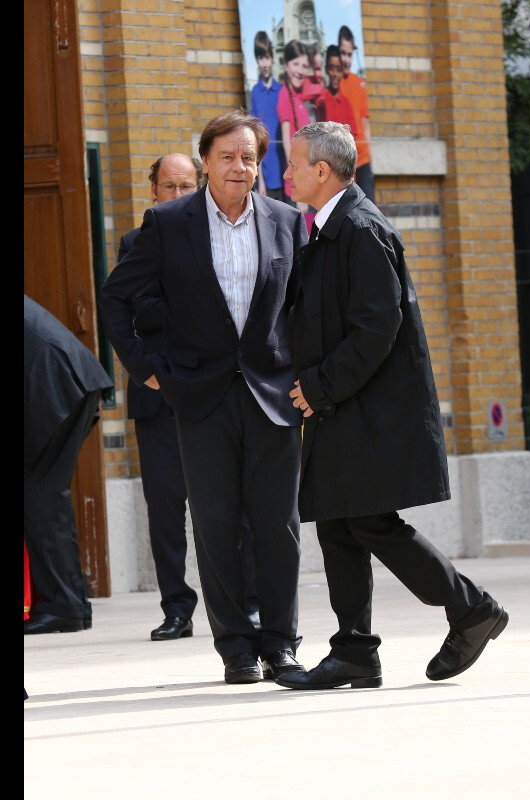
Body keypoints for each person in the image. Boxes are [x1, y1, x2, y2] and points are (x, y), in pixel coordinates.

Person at [276, 122, 509, 690]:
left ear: (322, 172)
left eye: (293, 164)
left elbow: (378, 327)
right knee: (337, 523)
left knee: (370, 522)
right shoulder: (328, 229)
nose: (283, 175)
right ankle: (354, 651)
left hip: (366, 411)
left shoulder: (360, 230)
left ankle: (471, 607)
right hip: (341, 410)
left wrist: (322, 385)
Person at [99, 109, 309, 685]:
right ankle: (236, 648)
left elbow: (306, 310)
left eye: (249, 157)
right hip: (200, 395)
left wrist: (307, 380)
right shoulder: (168, 223)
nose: (239, 167)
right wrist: (146, 369)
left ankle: (282, 642)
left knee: (278, 525)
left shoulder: (288, 222)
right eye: (227, 157)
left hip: (272, 393)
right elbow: (116, 298)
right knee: (215, 523)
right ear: (206, 163)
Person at [118, 152, 259, 640]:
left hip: (216, 389)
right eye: (168, 187)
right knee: (164, 506)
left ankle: (250, 602)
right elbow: (134, 307)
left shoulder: (216, 235)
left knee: (235, 501)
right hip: (159, 392)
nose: (176, 195)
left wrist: (172, 303)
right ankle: (177, 607)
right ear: (153, 191)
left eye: (185, 186)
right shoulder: (137, 241)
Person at [24, 295, 114, 634]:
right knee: (46, 493)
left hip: (56, 381)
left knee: (40, 493)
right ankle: (72, 605)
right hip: (67, 378)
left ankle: (64, 607)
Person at [277, 39, 325, 212]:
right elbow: (286, 141)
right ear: (286, 65)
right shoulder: (284, 95)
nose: (300, 70)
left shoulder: (299, 95)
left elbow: (319, 89)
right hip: (299, 184)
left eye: (305, 66)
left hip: (311, 180)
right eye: (295, 64)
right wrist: (298, 185)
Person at [337, 25, 375, 203]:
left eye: (349, 54)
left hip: (363, 160)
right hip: (342, 161)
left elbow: (365, 124)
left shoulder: (360, 83)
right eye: (343, 53)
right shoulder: (334, 85)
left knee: (370, 211)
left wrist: (369, 156)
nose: (346, 59)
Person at [250, 31, 285, 201]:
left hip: (287, 172)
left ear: (272, 58)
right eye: (260, 59)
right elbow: (256, 139)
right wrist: (260, 182)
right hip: (267, 177)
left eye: (267, 58)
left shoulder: (282, 90)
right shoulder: (255, 93)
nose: (264, 63)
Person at [314, 45, 358, 137]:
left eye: (338, 70)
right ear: (326, 70)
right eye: (331, 68)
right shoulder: (320, 100)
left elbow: (352, 138)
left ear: (342, 72)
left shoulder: (346, 104)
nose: (335, 74)